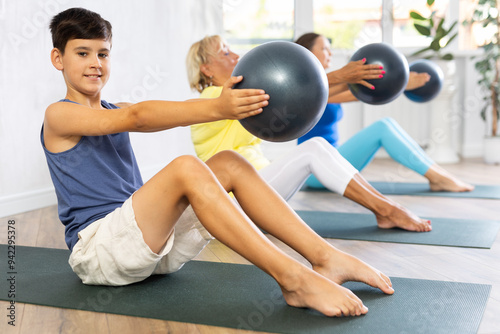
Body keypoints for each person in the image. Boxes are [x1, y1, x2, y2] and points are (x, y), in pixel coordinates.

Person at [42, 7, 395, 318]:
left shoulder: (111, 109)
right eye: (82, 53)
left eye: (103, 54)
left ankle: (324, 257)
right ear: (58, 59)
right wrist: (218, 108)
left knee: (229, 161)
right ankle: (294, 279)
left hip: (147, 248)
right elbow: (137, 117)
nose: (95, 63)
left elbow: (131, 114)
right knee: (186, 167)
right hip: (100, 253)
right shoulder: (59, 116)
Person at [186, 35, 432, 232]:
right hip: (233, 201)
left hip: (257, 189)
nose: (237, 56)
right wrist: (343, 75)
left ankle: (388, 206)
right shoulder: (213, 99)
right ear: (207, 69)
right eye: (226, 53)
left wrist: (393, 83)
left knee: (317, 147)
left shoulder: (241, 96)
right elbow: (295, 87)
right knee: (314, 148)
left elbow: (312, 93)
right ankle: (386, 210)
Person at [295, 32, 474, 193]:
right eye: (325, 48)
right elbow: (324, 95)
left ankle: (439, 174)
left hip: (333, 159)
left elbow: (356, 94)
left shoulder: (324, 88)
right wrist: (351, 77)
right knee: (382, 128)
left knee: (387, 124)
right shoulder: (302, 91)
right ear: (308, 53)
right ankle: (438, 178)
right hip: (317, 171)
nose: (330, 53)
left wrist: (400, 84)